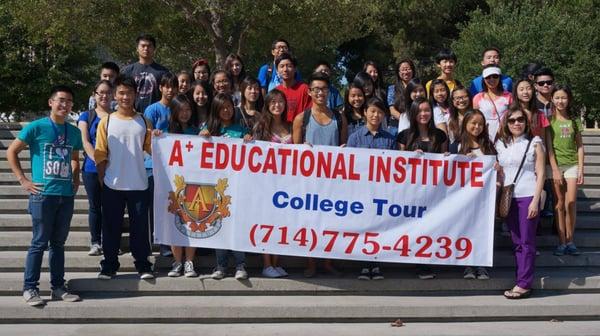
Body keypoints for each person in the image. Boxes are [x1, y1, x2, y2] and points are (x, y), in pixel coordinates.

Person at [7, 85, 83, 306]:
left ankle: (58, 287)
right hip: (43, 195)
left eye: (69, 101)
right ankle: (30, 288)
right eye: (61, 100)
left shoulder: (74, 131)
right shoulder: (36, 127)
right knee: (39, 242)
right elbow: (12, 151)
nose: (65, 104)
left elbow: (75, 157)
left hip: (65, 195)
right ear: (51, 102)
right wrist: (23, 180)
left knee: (58, 243)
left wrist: (75, 178)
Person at [94, 75, 154, 280]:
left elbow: (152, 149)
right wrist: (103, 179)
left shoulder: (144, 121)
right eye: (121, 92)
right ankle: (109, 265)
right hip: (113, 184)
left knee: (140, 228)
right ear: (114, 95)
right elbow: (100, 153)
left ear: (135, 94)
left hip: (139, 183)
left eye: (129, 92)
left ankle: (143, 264)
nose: (125, 97)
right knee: (110, 227)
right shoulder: (106, 121)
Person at [292, 72, 348, 277]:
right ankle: (311, 263)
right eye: (316, 89)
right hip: (309, 182)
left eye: (323, 89)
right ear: (309, 92)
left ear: (329, 92)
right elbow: (294, 151)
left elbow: (344, 147)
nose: (320, 93)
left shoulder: (339, 118)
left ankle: (328, 262)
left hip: (333, 181)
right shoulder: (301, 118)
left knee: (331, 222)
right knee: (311, 222)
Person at [496, 107, 545, 299]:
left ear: (526, 122)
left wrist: (535, 200)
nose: (517, 123)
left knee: (526, 241)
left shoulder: (534, 142)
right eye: (512, 120)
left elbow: (540, 173)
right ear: (506, 124)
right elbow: (501, 171)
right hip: (509, 198)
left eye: (520, 120)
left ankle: (524, 283)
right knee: (517, 241)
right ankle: (521, 278)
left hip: (527, 196)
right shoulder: (500, 143)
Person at [397, 97, 448, 280]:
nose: (424, 114)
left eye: (427, 110)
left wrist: (447, 157)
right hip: (412, 190)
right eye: (420, 111)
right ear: (413, 114)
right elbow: (399, 164)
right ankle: (414, 259)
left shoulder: (440, 136)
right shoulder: (404, 135)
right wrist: (411, 156)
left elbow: (446, 161)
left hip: (434, 190)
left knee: (430, 226)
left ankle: (425, 263)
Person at [199, 93, 249, 280]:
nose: (226, 110)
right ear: (216, 109)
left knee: (236, 226)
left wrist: (248, 140)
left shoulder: (240, 129)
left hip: (236, 186)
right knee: (218, 224)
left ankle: (240, 264)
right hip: (214, 187)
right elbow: (196, 152)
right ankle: (220, 265)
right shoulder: (208, 129)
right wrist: (201, 137)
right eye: (222, 107)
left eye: (229, 107)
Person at [347, 97, 396, 281]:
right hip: (361, 192)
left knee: (379, 228)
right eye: (372, 111)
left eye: (379, 112)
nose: (376, 115)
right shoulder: (355, 137)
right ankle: (363, 264)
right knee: (362, 227)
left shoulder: (390, 138)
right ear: (366, 112)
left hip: (382, 192)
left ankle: (376, 263)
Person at [449, 109, 496, 280]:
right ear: (465, 124)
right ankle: (468, 265)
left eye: (480, 124)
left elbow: (494, 168)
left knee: (483, 231)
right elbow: (449, 171)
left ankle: (482, 265)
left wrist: (496, 169)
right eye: (473, 123)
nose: (477, 127)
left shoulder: (489, 145)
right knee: (466, 230)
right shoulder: (456, 145)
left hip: (484, 199)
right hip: (463, 199)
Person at [252, 89, 292, 278]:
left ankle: (276, 263)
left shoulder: (291, 126)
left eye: (280, 102)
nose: (277, 105)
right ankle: (266, 264)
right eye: (273, 102)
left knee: (281, 224)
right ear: (267, 105)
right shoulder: (261, 126)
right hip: (266, 183)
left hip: (287, 184)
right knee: (267, 223)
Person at [546, 85, 585, 256]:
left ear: (568, 100)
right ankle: (562, 242)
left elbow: (580, 146)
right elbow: (549, 148)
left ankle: (571, 240)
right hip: (555, 166)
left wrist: (581, 169)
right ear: (552, 100)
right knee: (559, 204)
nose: (560, 101)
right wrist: (554, 169)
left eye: (564, 98)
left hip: (571, 165)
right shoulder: (549, 120)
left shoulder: (574, 121)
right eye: (557, 98)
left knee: (571, 202)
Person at [143, 73, 178, 257]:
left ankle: (167, 245)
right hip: (152, 164)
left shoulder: (179, 109)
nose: (170, 90)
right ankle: (150, 244)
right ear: (161, 88)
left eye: (173, 86)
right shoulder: (152, 109)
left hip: (174, 166)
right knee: (152, 206)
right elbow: (147, 135)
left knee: (169, 206)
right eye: (167, 86)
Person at [78, 80, 114, 256]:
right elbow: (85, 141)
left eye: (108, 92)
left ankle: (110, 241)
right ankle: (95, 241)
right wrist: (98, 160)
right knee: (95, 206)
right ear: (95, 94)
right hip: (92, 168)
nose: (104, 96)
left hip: (114, 169)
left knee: (112, 207)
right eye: (101, 92)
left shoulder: (117, 116)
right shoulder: (87, 115)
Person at [166, 95, 199, 277]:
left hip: (193, 184)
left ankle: (189, 262)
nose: (185, 113)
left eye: (188, 110)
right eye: (181, 110)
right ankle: (177, 262)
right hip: (173, 184)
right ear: (175, 111)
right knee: (175, 224)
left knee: (192, 222)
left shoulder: (197, 131)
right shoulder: (165, 131)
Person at [121, 34, 170, 114]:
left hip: (156, 115)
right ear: (137, 48)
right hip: (132, 114)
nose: (146, 48)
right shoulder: (128, 71)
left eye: (149, 46)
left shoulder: (163, 72)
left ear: (154, 49)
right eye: (143, 46)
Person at [473, 65, 512, 142]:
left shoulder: (509, 96)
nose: (492, 79)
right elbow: (475, 118)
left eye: (495, 76)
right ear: (484, 79)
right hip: (483, 136)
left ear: (499, 78)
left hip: (504, 135)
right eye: (488, 77)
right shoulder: (478, 97)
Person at [275, 53, 312, 122]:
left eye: (289, 66)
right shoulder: (275, 91)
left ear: (295, 69)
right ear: (277, 70)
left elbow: (310, 113)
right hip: (281, 131)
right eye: (281, 66)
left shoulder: (305, 89)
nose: (285, 69)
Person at [388, 59, 416, 132]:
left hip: (415, 126)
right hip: (396, 126)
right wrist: (405, 121)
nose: (406, 72)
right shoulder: (392, 89)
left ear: (413, 70)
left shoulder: (418, 88)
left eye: (408, 69)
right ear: (398, 72)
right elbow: (392, 110)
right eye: (403, 70)